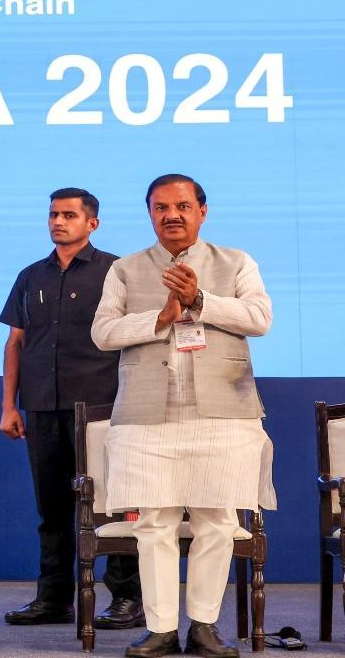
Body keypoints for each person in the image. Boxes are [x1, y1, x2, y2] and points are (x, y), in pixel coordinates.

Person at [92, 174, 275, 658]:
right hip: (147, 415)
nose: (171, 215)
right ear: (149, 213)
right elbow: (103, 332)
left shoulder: (236, 262)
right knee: (154, 522)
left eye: (181, 206)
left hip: (223, 413)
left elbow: (259, 318)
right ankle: (160, 629)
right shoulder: (127, 270)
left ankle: (205, 627)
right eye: (159, 207)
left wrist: (200, 301)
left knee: (216, 520)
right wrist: (161, 318)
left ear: (202, 211)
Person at [0, 188, 142, 628]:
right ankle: (54, 598)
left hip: (103, 409)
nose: (58, 222)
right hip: (42, 406)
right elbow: (16, 342)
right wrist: (9, 405)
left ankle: (126, 599)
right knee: (53, 508)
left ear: (91, 223)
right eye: (53, 215)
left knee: (115, 506)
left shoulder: (117, 271)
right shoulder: (30, 276)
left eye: (69, 215)